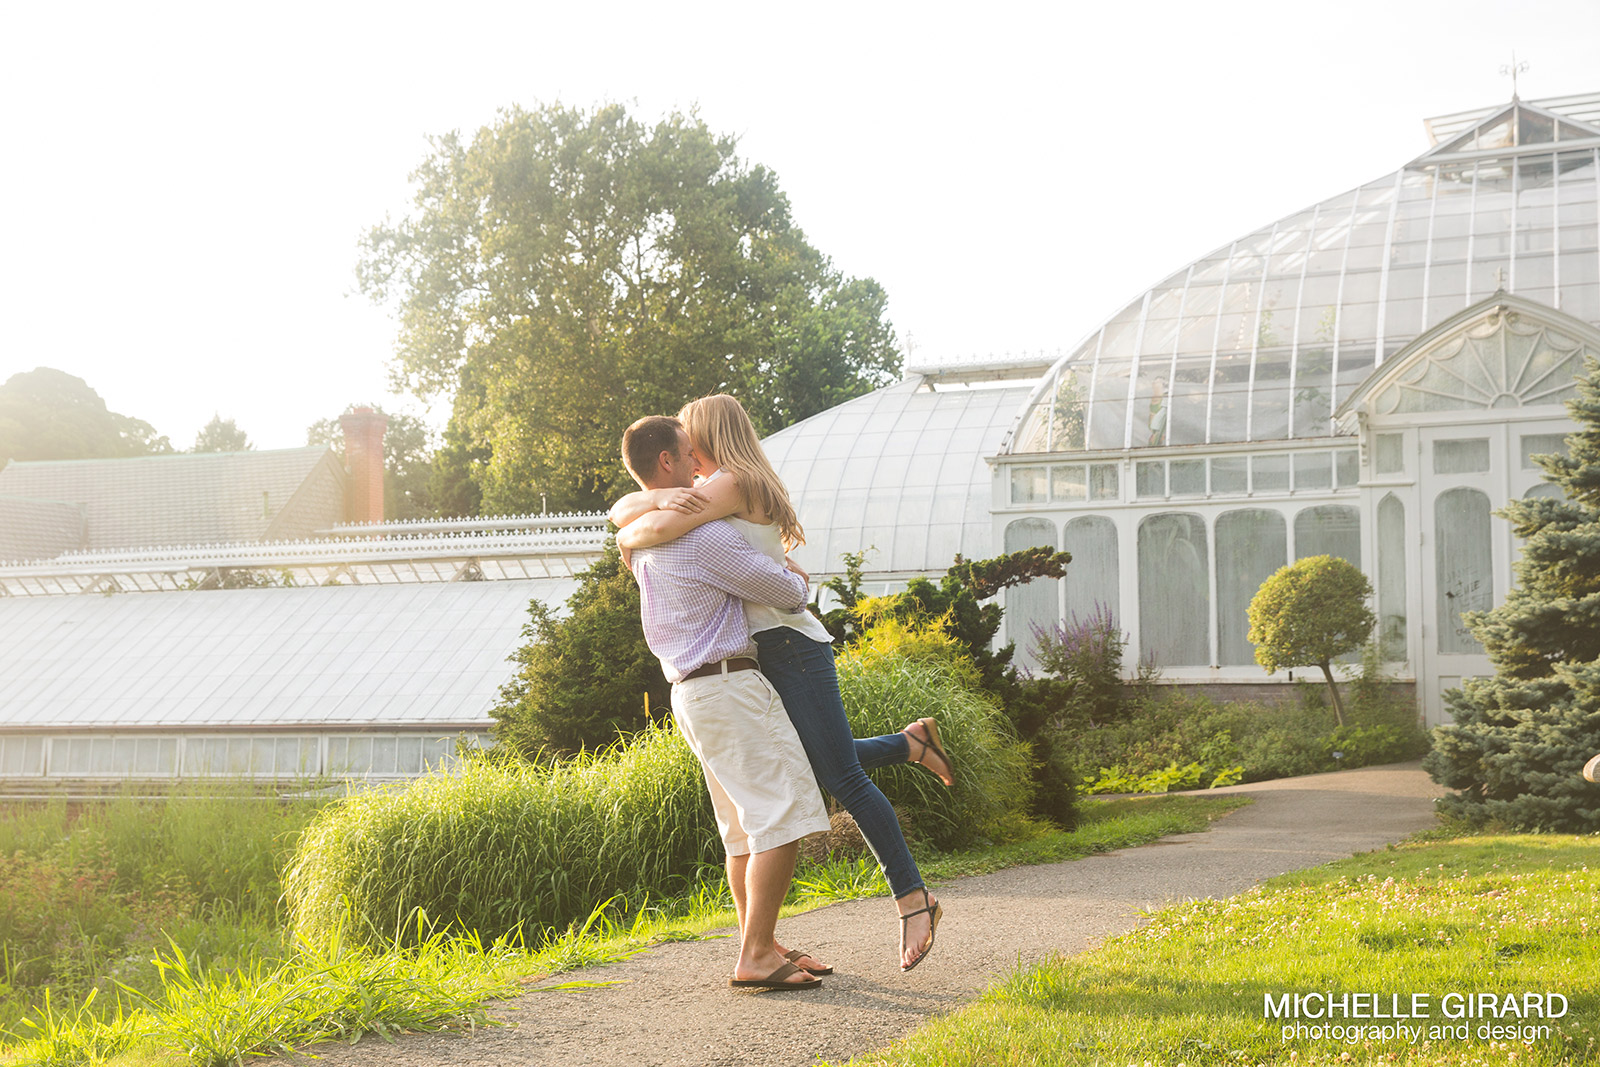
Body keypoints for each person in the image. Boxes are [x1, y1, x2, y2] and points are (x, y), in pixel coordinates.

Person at [610, 394, 950, 972]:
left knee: (836, 774)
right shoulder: (713, 493)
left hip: (789, 645)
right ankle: (910, 744)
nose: (693, 457)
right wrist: (649, 502)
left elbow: (651, 526)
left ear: (710, 436)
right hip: (762, 650)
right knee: (817, 767)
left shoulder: (732, 482)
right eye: (683, 451)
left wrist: (634, 524)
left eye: (695, 443)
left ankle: (912, 900)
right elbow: (644, 514)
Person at [620, 414, 832, 991]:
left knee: (741, 829)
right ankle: (757, 955)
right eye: (690, 454)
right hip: (729, 685)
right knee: (782, 816)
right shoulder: (703, 535)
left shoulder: (644, 540)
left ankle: (759, 943)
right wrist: (792, 573)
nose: (700, 464)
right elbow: (784, 593)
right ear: (667, 462)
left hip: (691, 692)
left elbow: (625, 519)